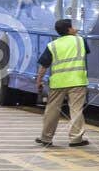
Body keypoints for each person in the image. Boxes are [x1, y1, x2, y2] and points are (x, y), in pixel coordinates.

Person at [34, 18, 89, 148]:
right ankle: (75, 139)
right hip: (77, 81)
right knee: (76, 110)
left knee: (52, 110)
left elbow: (43, 65)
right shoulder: (81, 41)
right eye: (74, 26)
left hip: (58, 83)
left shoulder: (52, 45)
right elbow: (86, 53)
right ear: (69, 29)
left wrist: (39, 81)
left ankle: (46, 138)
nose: (77, 28)